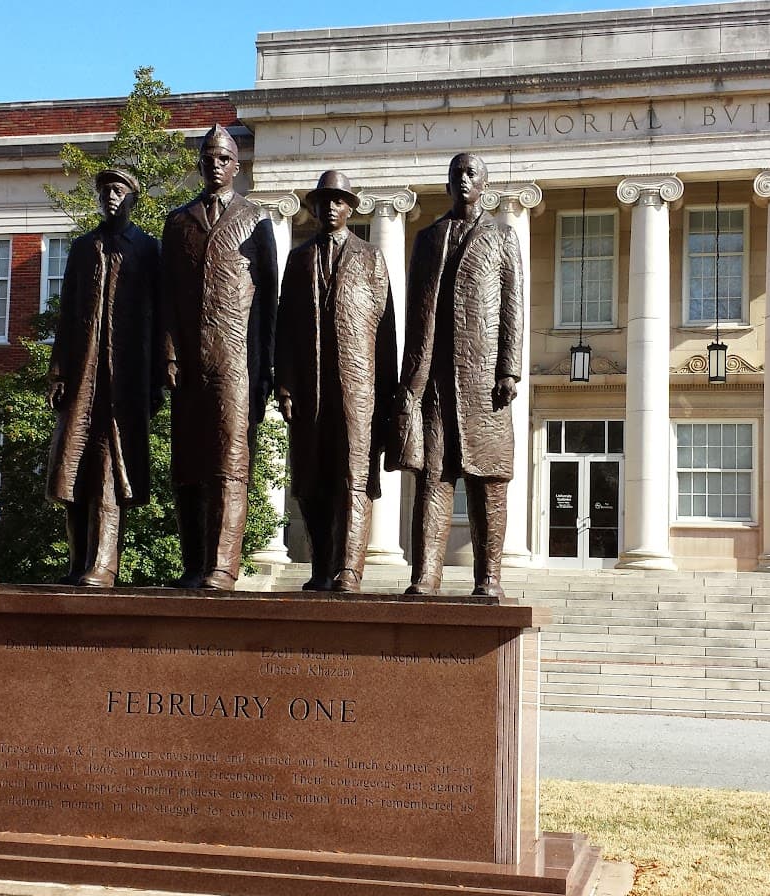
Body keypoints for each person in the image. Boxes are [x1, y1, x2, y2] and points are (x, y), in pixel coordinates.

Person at [394, 153, 523, 598]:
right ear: (447, 183)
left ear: (484, 184)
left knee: (489, 480)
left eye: (471, 173)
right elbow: (415, 309)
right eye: (456, 174)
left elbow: (513, 303)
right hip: (433, 379)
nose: (463, 180)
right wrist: (410, 376)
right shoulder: (428, 238)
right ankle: (425, 574)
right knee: (433, 477)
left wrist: (509, 367)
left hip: (484, 379)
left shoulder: (503, 235)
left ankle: (489, 577)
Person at [159, 125, 279, 590]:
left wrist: (266, 368)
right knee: (187, 465)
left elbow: (269, 300)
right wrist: (168, 352)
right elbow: (167, 295)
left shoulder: (256, 220)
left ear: (237, 165)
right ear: (200, 162)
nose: (216, 164)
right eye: (209, 156)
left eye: (224, 157)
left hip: (236, 360)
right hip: (188, 361)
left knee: (231, 462)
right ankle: (193, 564)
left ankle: (223, 567)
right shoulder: (178, 222)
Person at [275, 170, 398, 593]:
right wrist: (285, 383)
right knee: (310, 480)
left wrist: (387, 393)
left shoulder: (371, 258)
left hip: (358, 389)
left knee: (354, 477)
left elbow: (385, 333)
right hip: (310, 388)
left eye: (339, 200)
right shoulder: (298, 258)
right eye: (324, 200)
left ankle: (350, 569)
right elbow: (284, 328)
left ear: (351, 208)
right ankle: (321, 566)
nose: (331, 207)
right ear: (314, 207)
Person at [44, 167, 163, 586]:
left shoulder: (148, 249)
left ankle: (105, 564)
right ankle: (78, 562)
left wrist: (159, 376)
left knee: (112, 468)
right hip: (82, 377)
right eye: (104, 191)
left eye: (118, 190)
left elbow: (161, 318)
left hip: (125, 379)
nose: (110, 197)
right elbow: (67, 315)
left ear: (134, 197)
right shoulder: (83, 248)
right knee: (72, 467)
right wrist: (57, 373)